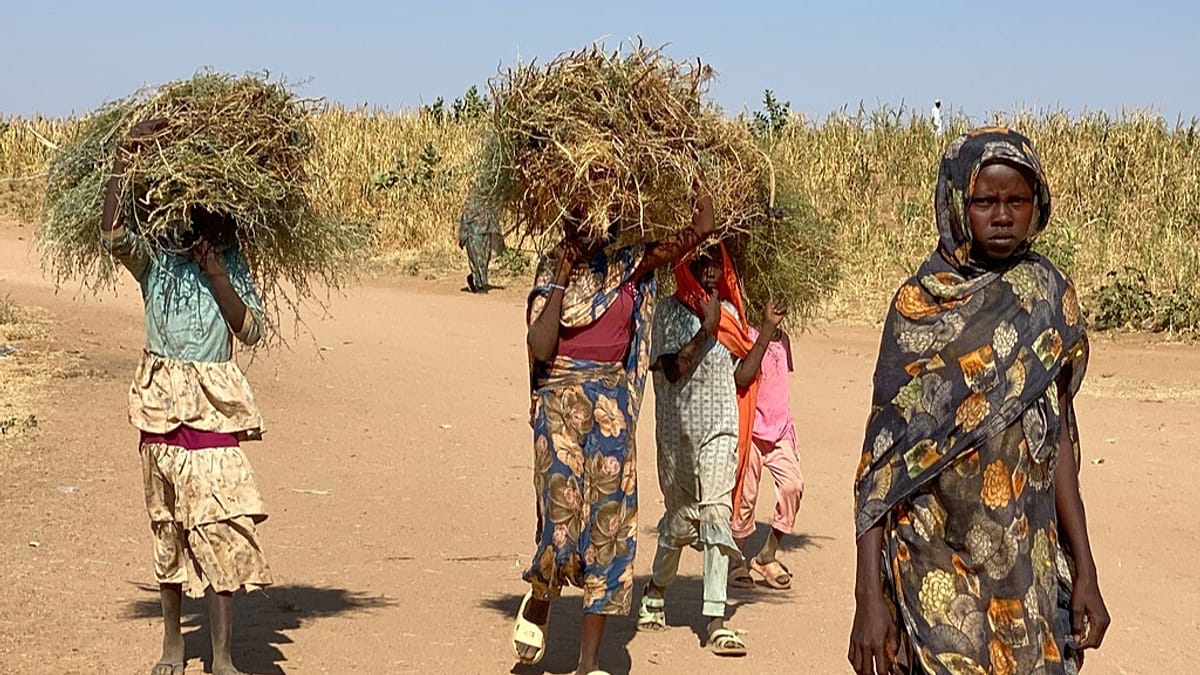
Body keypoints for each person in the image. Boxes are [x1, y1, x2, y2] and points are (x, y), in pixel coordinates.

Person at [848, 128, 1110, 675]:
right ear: (956, 203)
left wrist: (1086, 569)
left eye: (1017, 201)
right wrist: (868, 598)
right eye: (985, 201)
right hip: (934, 566)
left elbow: (1057, 441)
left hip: (1026, 568)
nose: (1003, 216)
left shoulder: (1046, 297)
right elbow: (881, 468)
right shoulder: (919, 309)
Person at [512, 195, 717, 675]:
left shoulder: (629, 264)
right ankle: (541, 594)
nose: (593, 229)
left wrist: (696, 186)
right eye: (582, 220)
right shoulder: (553, 269)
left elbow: (695, 231)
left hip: (612, 408)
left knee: (609, 527)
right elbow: (540, 345)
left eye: (601, 220)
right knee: (560, 519)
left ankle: (589, 663)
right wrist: (564, 275)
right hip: (560, 402)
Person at [101, 119, 273, 675]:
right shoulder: (155, 260)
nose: (198, 221)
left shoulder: (232, 262)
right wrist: (124, 156)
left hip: (213, 413)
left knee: (221, 525)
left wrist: (216, 270)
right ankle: (173, 644)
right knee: (169, 528)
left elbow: (250, 330)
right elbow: (112, 236)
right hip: (160, 411)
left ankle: (221, 658)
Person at [637, 243, 782, 657]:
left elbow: (742, 377)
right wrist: (706, 328)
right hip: (678, 436)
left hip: (720, 432)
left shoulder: (731, 314)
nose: (711, 271)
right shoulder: (668, 313)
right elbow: (672, 369)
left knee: (717, 515)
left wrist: (765, 330)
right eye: (700, 262)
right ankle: (655, 589)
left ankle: (716, 619)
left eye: (716, 262)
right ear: (685, 266)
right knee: (682, 521)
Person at [729, 324, 804, 591]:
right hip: (750, 430)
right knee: (745, 496)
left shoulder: (783, 339)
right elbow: (741, 378)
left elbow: (779, 383)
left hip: (780, 430)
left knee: (793, 486)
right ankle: (736, 559)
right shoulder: (746, 335)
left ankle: (767, 554)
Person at [457, 187, 502, 293]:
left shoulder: (487, 206)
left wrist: (497, 233)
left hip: (485, 235)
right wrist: (462, 239)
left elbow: (492, 219)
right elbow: (464, 223)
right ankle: (479, 285)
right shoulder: (468, 209)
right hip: (473, 236)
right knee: (476, 260)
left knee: (484, 260)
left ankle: (474, 278)